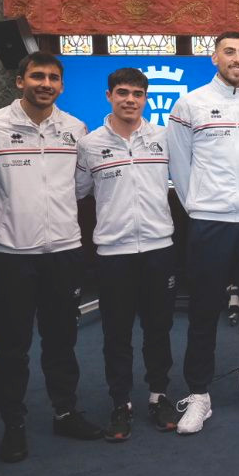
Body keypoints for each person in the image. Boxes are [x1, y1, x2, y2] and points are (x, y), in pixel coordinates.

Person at [0, 50, 102, 461]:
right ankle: (13, 423)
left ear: (62, 86)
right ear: (20, 81)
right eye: (37, 76)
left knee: (62, 341)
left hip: (64, 251)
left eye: (53, 78)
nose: (45, 84)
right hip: (11, 253)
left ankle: (65, 411)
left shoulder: (75, 128)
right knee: (11, 345)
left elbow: (81, 187)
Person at [166, 32, 239, 429]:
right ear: (215, 58)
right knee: (202, 311)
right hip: (209, 224)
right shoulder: (190, 104)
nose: (238, 59)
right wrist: (200, 204)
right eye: (230, 52)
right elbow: (180, 167)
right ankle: (198, 394)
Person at [75, 67, 178, 440]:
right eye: (122, 92)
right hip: (113, 252)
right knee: (116, 333)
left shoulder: (163, 138)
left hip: (158, 248)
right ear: (109, 96)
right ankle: (121, 402)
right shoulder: (89, 144)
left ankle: (158, 394)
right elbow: (80, 191)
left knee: (159, 329)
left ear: (146, 98)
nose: (130, 99)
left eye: (137, 93)